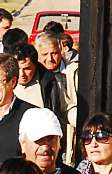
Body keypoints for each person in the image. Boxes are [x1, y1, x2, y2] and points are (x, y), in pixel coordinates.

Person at [35, 32, 78, 163]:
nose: (50, 59)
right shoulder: (32, 75)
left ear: (61, 50)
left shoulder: (74, 71)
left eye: (54, 53)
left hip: (70, 134)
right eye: (44, 55)